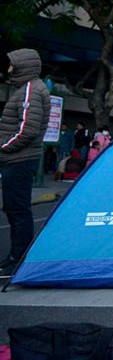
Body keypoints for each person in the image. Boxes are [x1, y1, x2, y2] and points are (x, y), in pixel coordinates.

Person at [0, 48, 51, 278]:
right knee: (14, 208)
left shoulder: (31, 90)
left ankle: (19, 258)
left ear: (23, 65)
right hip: (18, 159)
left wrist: (3, 148)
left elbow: (27, 130)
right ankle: (16, 256)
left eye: (12, 64)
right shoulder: (27, 88)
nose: (9, 69)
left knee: (18, 210)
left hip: (19, 159)